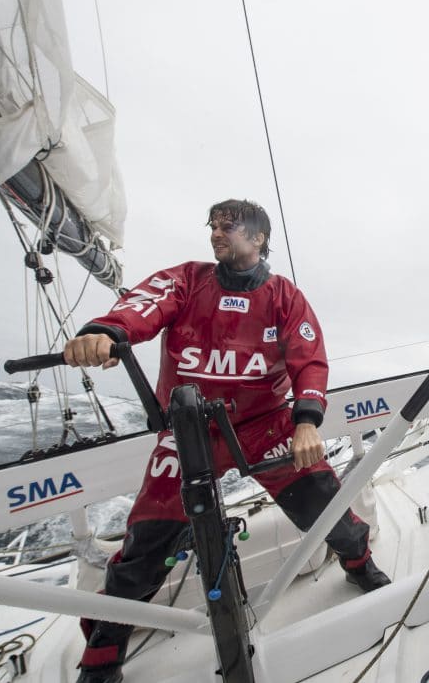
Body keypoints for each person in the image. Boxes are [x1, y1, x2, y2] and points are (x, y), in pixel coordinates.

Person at [66, 199, 390, 683]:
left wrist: (306, 422)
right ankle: (104, 646)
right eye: (212, 226)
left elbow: (309, 360)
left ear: (259, 238)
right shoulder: (187, 279)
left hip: (266, 426)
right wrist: (106, 331)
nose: (216, 233)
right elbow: (143, 305)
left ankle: (358, 560)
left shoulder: (284, 297)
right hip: (188, 431)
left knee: (323, 502)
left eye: (229, 226)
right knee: (147, 541)